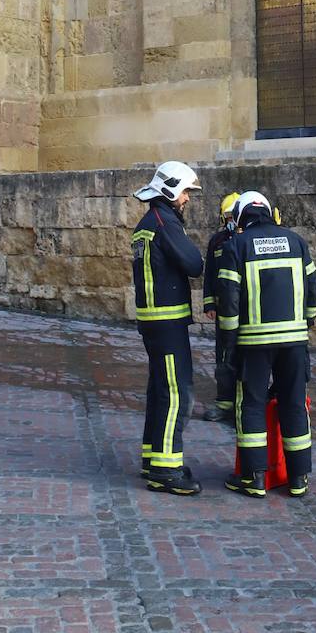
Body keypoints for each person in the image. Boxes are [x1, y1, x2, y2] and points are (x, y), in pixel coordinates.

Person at [218, 191, 316, 499]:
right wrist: (307, 321)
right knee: (294, 404)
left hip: (253, 344)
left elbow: (229, 300)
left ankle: (255, 479)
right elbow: (313, 290)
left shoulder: (235, 246)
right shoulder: (296, 242)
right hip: (293, 341)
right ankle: (298, 478)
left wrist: (229, 342)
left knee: (251, 405)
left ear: (240, 217)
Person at [131, 160, 204, 495]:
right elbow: (193, 264)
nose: (187, 198)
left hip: (153, 322)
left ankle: (154, 458)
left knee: (159, 391)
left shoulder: (148, 221)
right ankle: (166, 471)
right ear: (172, 189)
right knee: (177, 393)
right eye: (186, 191)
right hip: (168, 322)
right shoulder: (165, 222)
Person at [201, 191, 239, 423]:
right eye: (228, 217)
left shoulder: (249, 241)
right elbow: (210, 275)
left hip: (246, 311)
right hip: (223, 310)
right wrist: (208, 303)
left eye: (235, 216)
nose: (232, 221)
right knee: (223, 357)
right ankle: (224, 403)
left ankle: (244, 404)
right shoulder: (217, 241)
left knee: (245, 356)